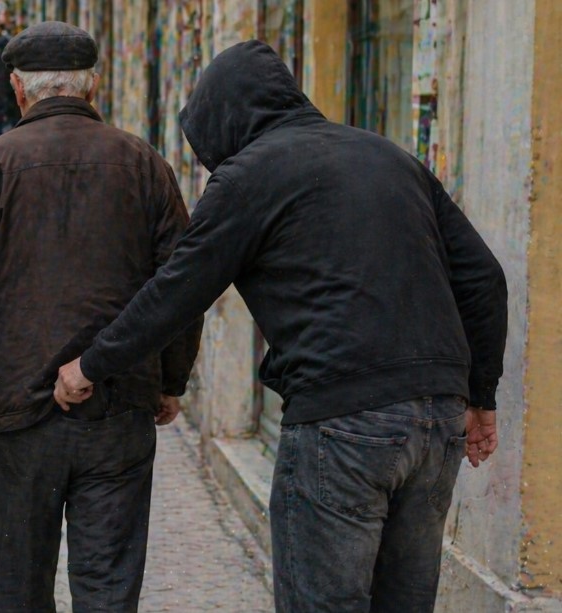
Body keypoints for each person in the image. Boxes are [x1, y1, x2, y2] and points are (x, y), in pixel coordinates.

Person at [55, 40, 507, 612]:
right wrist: (479, 396)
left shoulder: (248, 177)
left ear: (225, 121)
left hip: (341, 421)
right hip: (438, 417)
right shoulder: (388, 156)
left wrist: (89, 365)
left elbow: (176, 291)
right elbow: (484, 277)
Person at [0, 21, 203, 612]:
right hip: (117, 407)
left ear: (19, 90)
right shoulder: (143, 163)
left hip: (17, 420)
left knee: (20, 590)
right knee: (107, 589)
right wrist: (170, 381)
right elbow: (180, 285)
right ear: (93, 87)